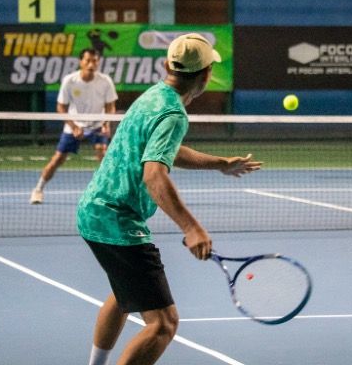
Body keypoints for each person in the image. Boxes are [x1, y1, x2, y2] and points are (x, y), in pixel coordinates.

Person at [76, 33, 262, 365]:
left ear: (166, 66)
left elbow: (165, 151)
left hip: (93, 210)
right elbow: (154, 175)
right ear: (206, 74)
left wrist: (220, 163)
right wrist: (191, 227)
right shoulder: (174, 113)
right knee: (163, 323)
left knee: (124, 295)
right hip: (118, 220)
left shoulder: (154, 96)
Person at [30, 48, 118, 204]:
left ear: (98, 62)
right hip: (74, 124)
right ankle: (38, 189)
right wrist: (73, 126)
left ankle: (111, 192)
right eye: (88, 60)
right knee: (58, 158)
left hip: (97, 124)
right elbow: (61, 107)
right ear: (81, 62)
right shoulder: (70, 80)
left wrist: (106, 123)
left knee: (103, 155)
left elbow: (110, 106)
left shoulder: (105, 81)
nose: (91, 64)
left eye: (94, 61)